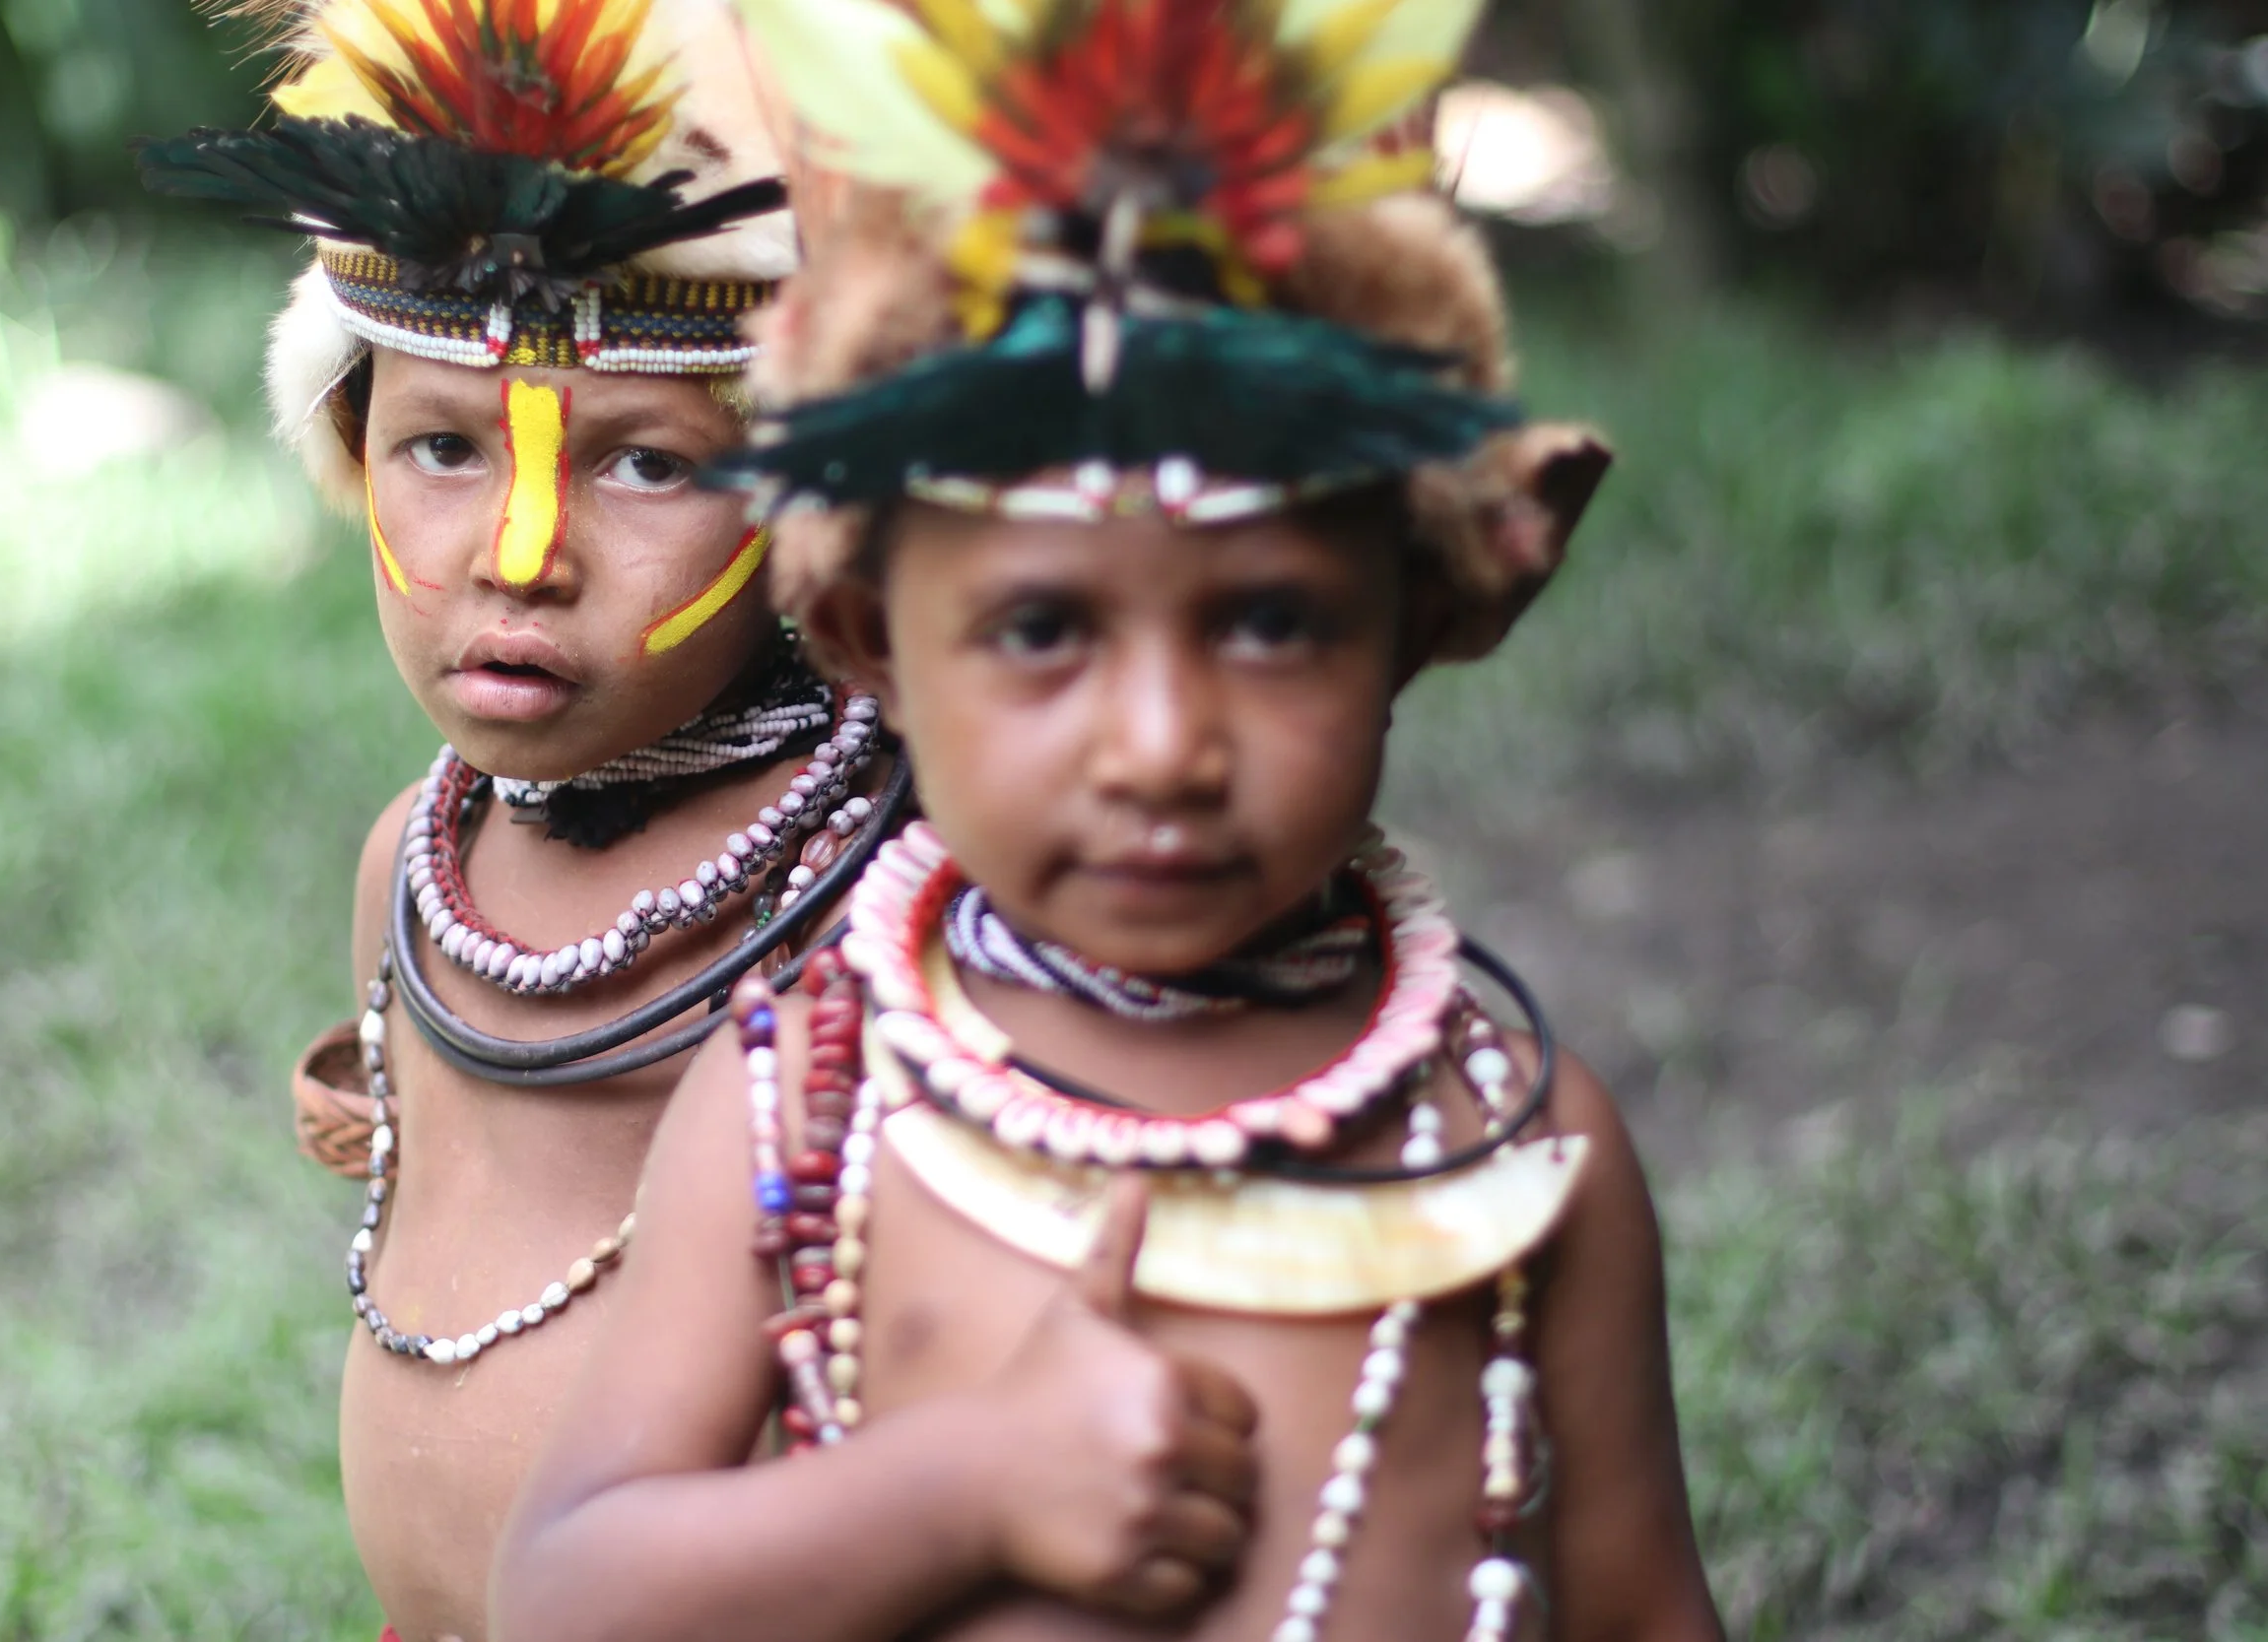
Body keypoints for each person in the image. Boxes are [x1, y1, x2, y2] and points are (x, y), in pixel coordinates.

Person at [491, 1, 1723, 1639]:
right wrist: (971, 1482)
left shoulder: (1516, 1136)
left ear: (1430, 609)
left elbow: (1645, 1609)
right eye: (1043, 630)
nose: (1161, 748)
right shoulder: (807, 1110)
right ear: (868, 637)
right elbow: (567, 1594)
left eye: (1273, 622)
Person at [136, 4, 905, 1639]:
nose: (520, 550)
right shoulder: (412, 866)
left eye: (644, 465)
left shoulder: (879, 907)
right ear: (347, 438)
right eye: (439, 445)